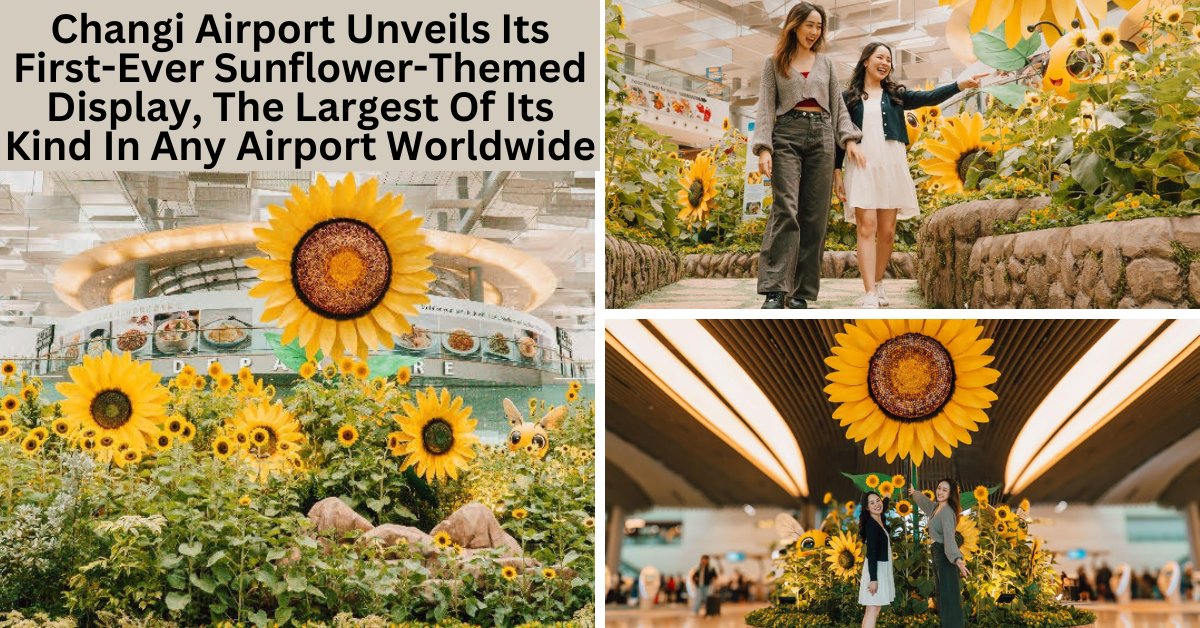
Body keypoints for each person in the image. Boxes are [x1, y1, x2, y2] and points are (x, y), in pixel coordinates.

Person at [834, 42, 988, 308]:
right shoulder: (848, 97)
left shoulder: (897, 95)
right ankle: (869, 292)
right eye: (879, 57)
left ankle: (878, 282)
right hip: (860, 166)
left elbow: (930, 96)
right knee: (866, 227)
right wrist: (837, 171)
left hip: (891, 164)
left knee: (888, 231)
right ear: (865, 61)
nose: (885, 63)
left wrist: (960, 84)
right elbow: (839, 133)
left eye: (889, 59)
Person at [751, 1, 866, 309]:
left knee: (814, 216)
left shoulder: (826, 64)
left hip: (822, 136)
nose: (814, 32)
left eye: (819, 27)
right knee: (785, 209)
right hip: (786, 133)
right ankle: (776, 290)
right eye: (809, 25)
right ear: (794, 25)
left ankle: (801, 293)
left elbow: (839, 108)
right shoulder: (773, 62)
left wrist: (850, 140)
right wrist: (764, 147)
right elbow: (765, 107)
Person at [909, 479, 970, 628]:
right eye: (939, 488)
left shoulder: (947, 512)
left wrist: (957, 559)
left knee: (950, 602)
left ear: (950, 494)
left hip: (945, 557)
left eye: (944, 490)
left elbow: (949, 537)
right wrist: (915, 493)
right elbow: (927, 505)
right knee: (943, 600)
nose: (940, 492)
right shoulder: (937, 508)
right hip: (938, 556)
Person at [858, 491, 895, 628]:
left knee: (874, 608)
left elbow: (882, 507)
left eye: (878, 501)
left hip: (881, 568)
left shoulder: (878, 519)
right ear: (867, 508)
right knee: (873, 609)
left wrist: (886, 498)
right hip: (876, 570)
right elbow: (871, 553)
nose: (877, 505)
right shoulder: (872, 525)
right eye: (872, 503)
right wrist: (873, 579)